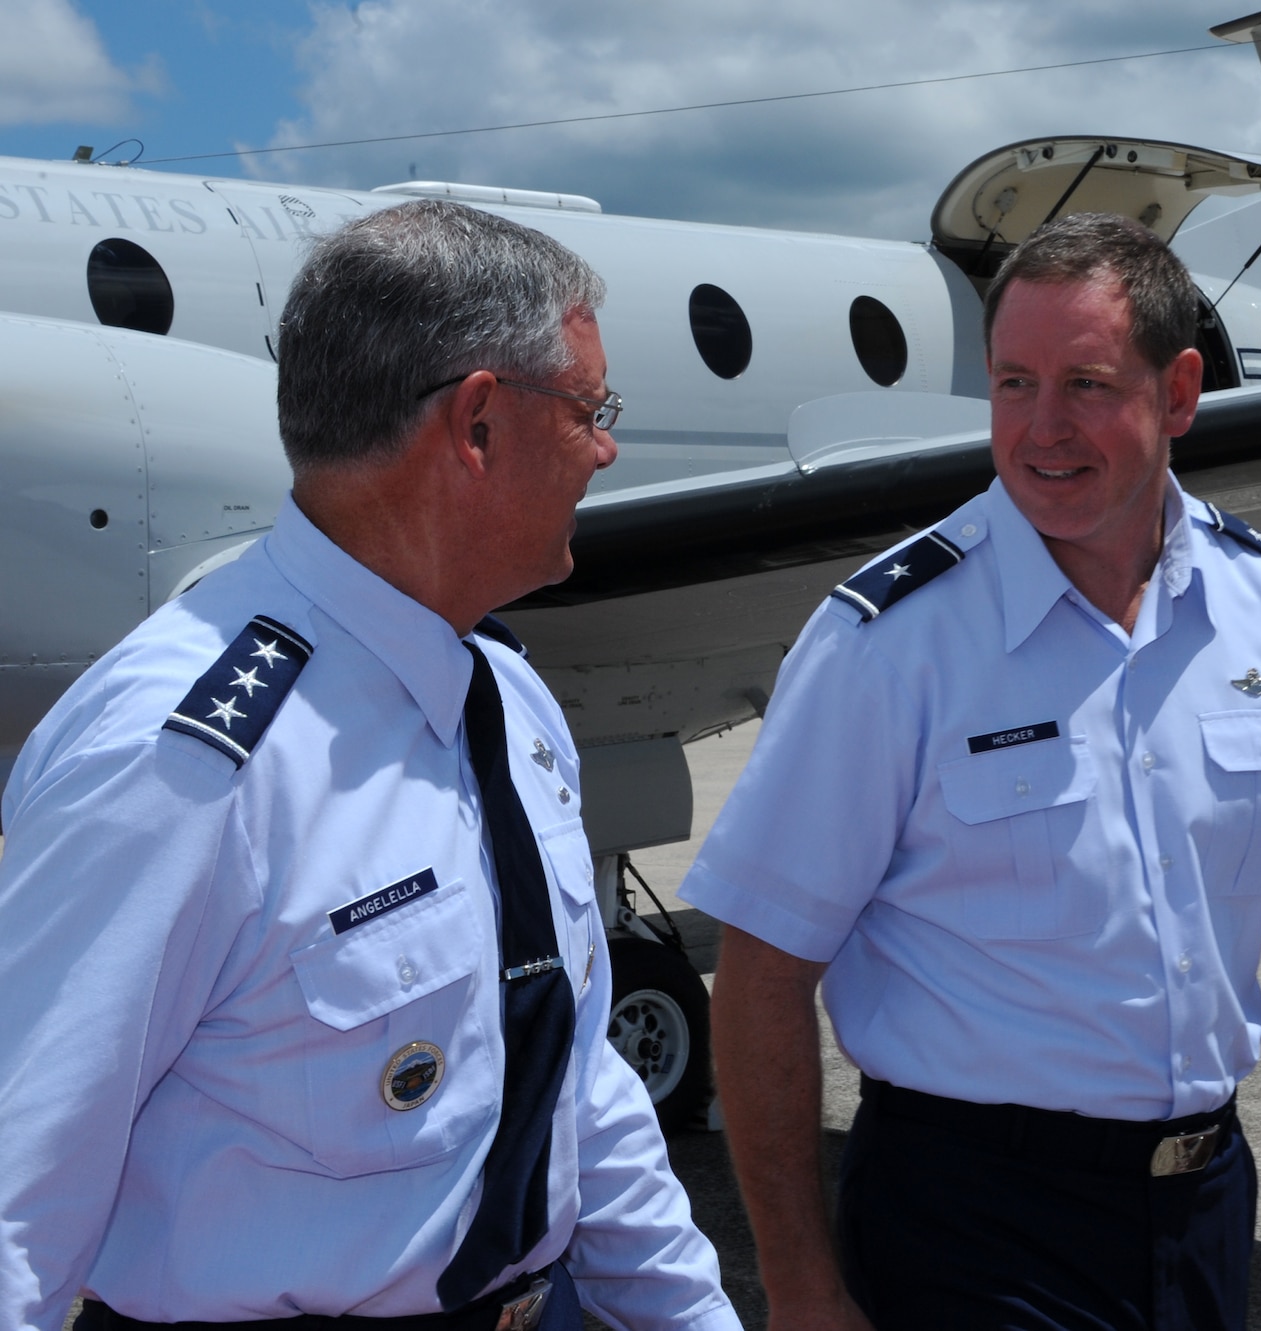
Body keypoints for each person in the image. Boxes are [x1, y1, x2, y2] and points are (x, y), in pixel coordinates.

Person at [683, 212, 1261, 1331]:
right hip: (969, 1219)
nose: (1041, 428)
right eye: (1011, 383)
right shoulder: (890, 640)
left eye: (1086, 383)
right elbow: (760, 966)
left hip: (1201, 1206)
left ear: (1178, 392)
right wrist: (801, 1286)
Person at [0, 201, 740, 1331]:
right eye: (592, 409)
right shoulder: (182, 757)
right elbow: (19, 1201)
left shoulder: (506, 694)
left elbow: (572, 1079)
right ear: (479, 423)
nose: (607, 449)